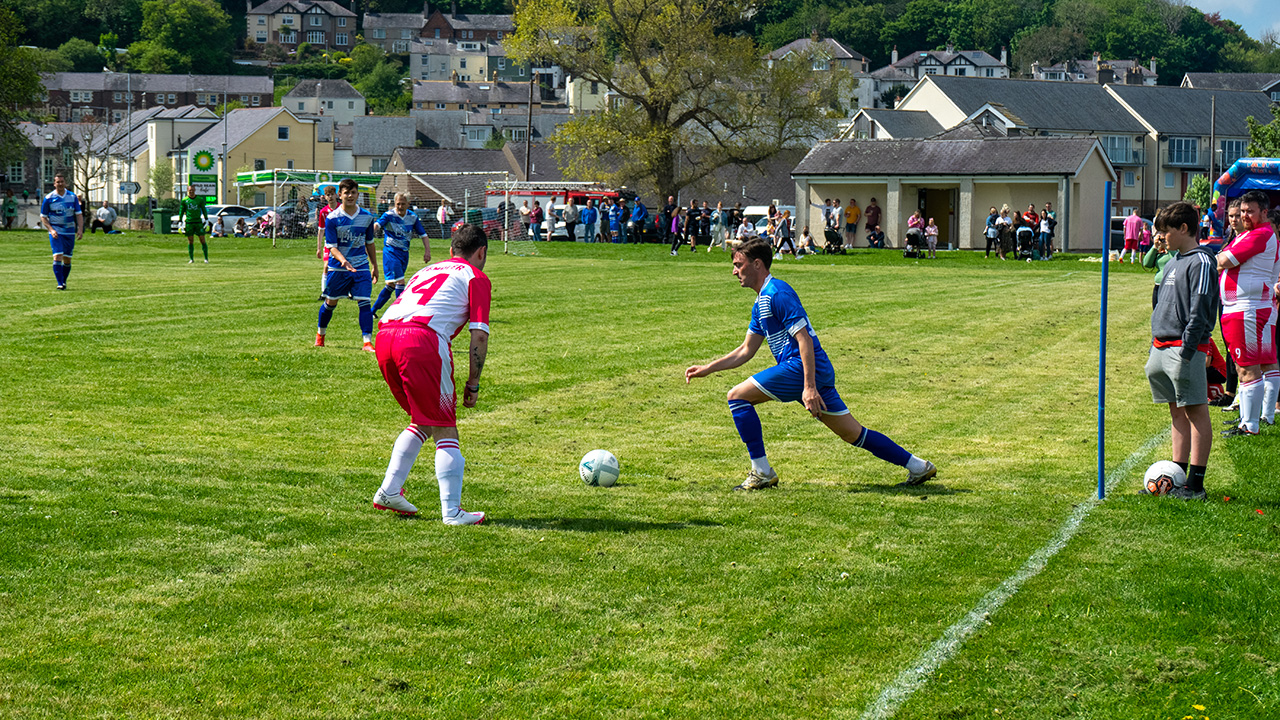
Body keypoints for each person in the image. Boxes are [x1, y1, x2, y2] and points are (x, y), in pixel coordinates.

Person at [684, 237, 937, 491]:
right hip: (812, 371)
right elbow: (746, 350)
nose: (734, 271)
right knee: (853, 434)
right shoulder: (761, 302)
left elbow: (803, 339)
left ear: (757, 264)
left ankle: (761, 471)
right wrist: (708, 368)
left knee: (737, 397)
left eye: (739, 264)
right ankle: (918, 466)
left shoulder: (778, 293)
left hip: (801, 368)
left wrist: (809, 386)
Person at [370, 222, 491, 525]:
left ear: (450, 251)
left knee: (423, 420)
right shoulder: (476, 277)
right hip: (420, 340)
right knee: (444, 424)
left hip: (385, 335)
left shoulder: (426, 271)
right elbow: (479, 336)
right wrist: (473, 383)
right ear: (482, 252)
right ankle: (452, 512)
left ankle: (389, 490)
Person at [1144, 201, 1218, 500]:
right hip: (1161, 345)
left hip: (1183, 348)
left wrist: (1188, 349)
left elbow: (1200, 308)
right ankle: (1176, 477)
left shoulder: (1201, 261)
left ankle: (1195, 484)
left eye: (1166, 231)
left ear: (1184, 228)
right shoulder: (1173, 260)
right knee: (1176, 412)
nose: (1161, 237)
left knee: (1195, 410)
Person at [1218, 190, 1279, 437]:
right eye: (1242, 211)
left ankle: (1251, 425)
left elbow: (1224, 260)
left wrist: (1221, 258)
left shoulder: (1261, 234)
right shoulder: (1253, 234)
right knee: (1258, 363)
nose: (1244, 215)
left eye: (1249, 211)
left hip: (1247, 308)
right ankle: (1250, 419)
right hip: (1247, 307)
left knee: (1248, 367)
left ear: (1264, 212)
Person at [316, 177, 379, 352]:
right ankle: (320, 335)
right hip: (338, 268)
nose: (350, 196)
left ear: (357, 194)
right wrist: (344, 261)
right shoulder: (333, 218)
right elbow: (332, 247)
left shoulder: (367, 217)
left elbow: (370, 242)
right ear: (340, 195)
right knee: (330, 303)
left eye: (353, 192)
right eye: (346, 193)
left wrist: (375, 265)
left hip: (361, 268)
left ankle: (367, 342)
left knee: (364, 302)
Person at [372, 192, 430, 317]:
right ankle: (401, 312)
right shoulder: (388, 215)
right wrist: (369, 232)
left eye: (403, 204)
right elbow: (377, 225)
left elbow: (424, 235)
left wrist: (427, 252)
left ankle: (372, 311)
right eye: (398, 204)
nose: (400, 206)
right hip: (391, 252)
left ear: (408, 204)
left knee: (391, 285)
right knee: (400, 282)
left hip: (404, 253)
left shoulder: (412, 217)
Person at [40, 171, 83, 290]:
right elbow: (43, 217)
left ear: (65, 183)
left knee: (67, 259)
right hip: (56, 232)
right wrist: (51, 229)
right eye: (57, 182)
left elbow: (78, 214)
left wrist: (80, 229)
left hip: (69, 231)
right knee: (57, 256)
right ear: (54, 184)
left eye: (62, 182)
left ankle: (63, 281)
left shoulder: (72, 197)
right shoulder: (49, 198)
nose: (60, 184)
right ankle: (59, 283)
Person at [315, 185, 339, 295]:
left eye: (332, 194)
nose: (330, 197)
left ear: (336, 195)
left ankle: (348, 290)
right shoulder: (323, 212)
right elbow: (321, 230)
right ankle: (324, 292)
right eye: (328, 195)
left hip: (341, 243)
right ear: (325, 197)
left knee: (344, 266)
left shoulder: (341, 209)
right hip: (329, 243)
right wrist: (318, 248)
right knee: (326, 266)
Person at [1142, 225, 1173, 308]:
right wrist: (1155, 247)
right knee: (1156, 312)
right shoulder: (1159, 252)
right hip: (1158, 286)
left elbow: (1176, 260)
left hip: (1170, 287)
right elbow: (1147, 263)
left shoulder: (1174, 250)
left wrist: (1168, 247)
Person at [180, 185, 209, 263]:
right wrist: (180, 220)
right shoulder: (185, 200)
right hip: (189, 222)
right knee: (190, 240)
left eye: (192, 190)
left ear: (195, 190)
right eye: (190, 190)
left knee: (202, 239)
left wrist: (206, 219)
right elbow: (182, 211)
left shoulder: (199, 199)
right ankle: (191, 259)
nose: (191, 191)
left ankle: (206, 258)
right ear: (187, 191)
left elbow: (203, 209)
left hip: (198, 222)